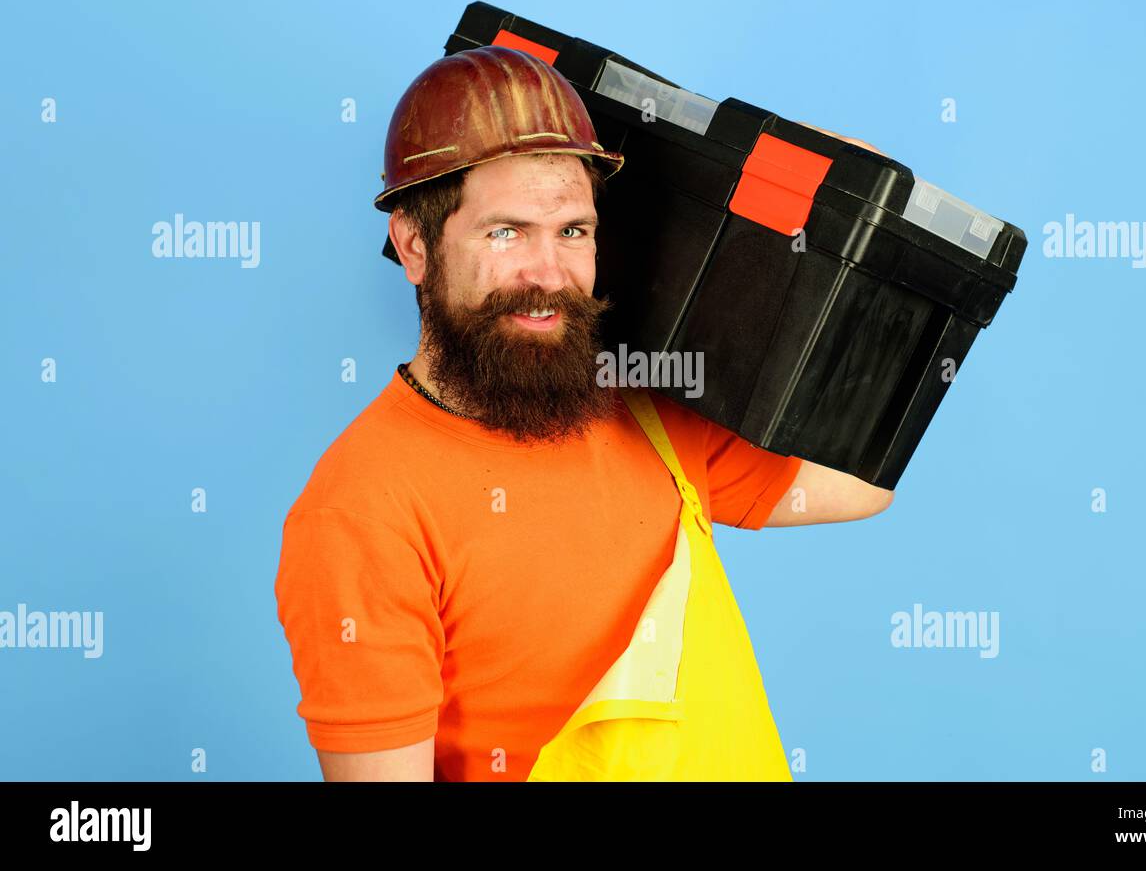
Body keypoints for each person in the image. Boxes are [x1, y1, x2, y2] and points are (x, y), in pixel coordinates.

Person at [274, 45, 894, 782]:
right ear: (414, 245)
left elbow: (863, 479)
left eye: (572, 231)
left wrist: (837, 207)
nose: (547, 274)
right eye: (505, 232)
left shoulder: (649, 413)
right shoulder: (362, 509)